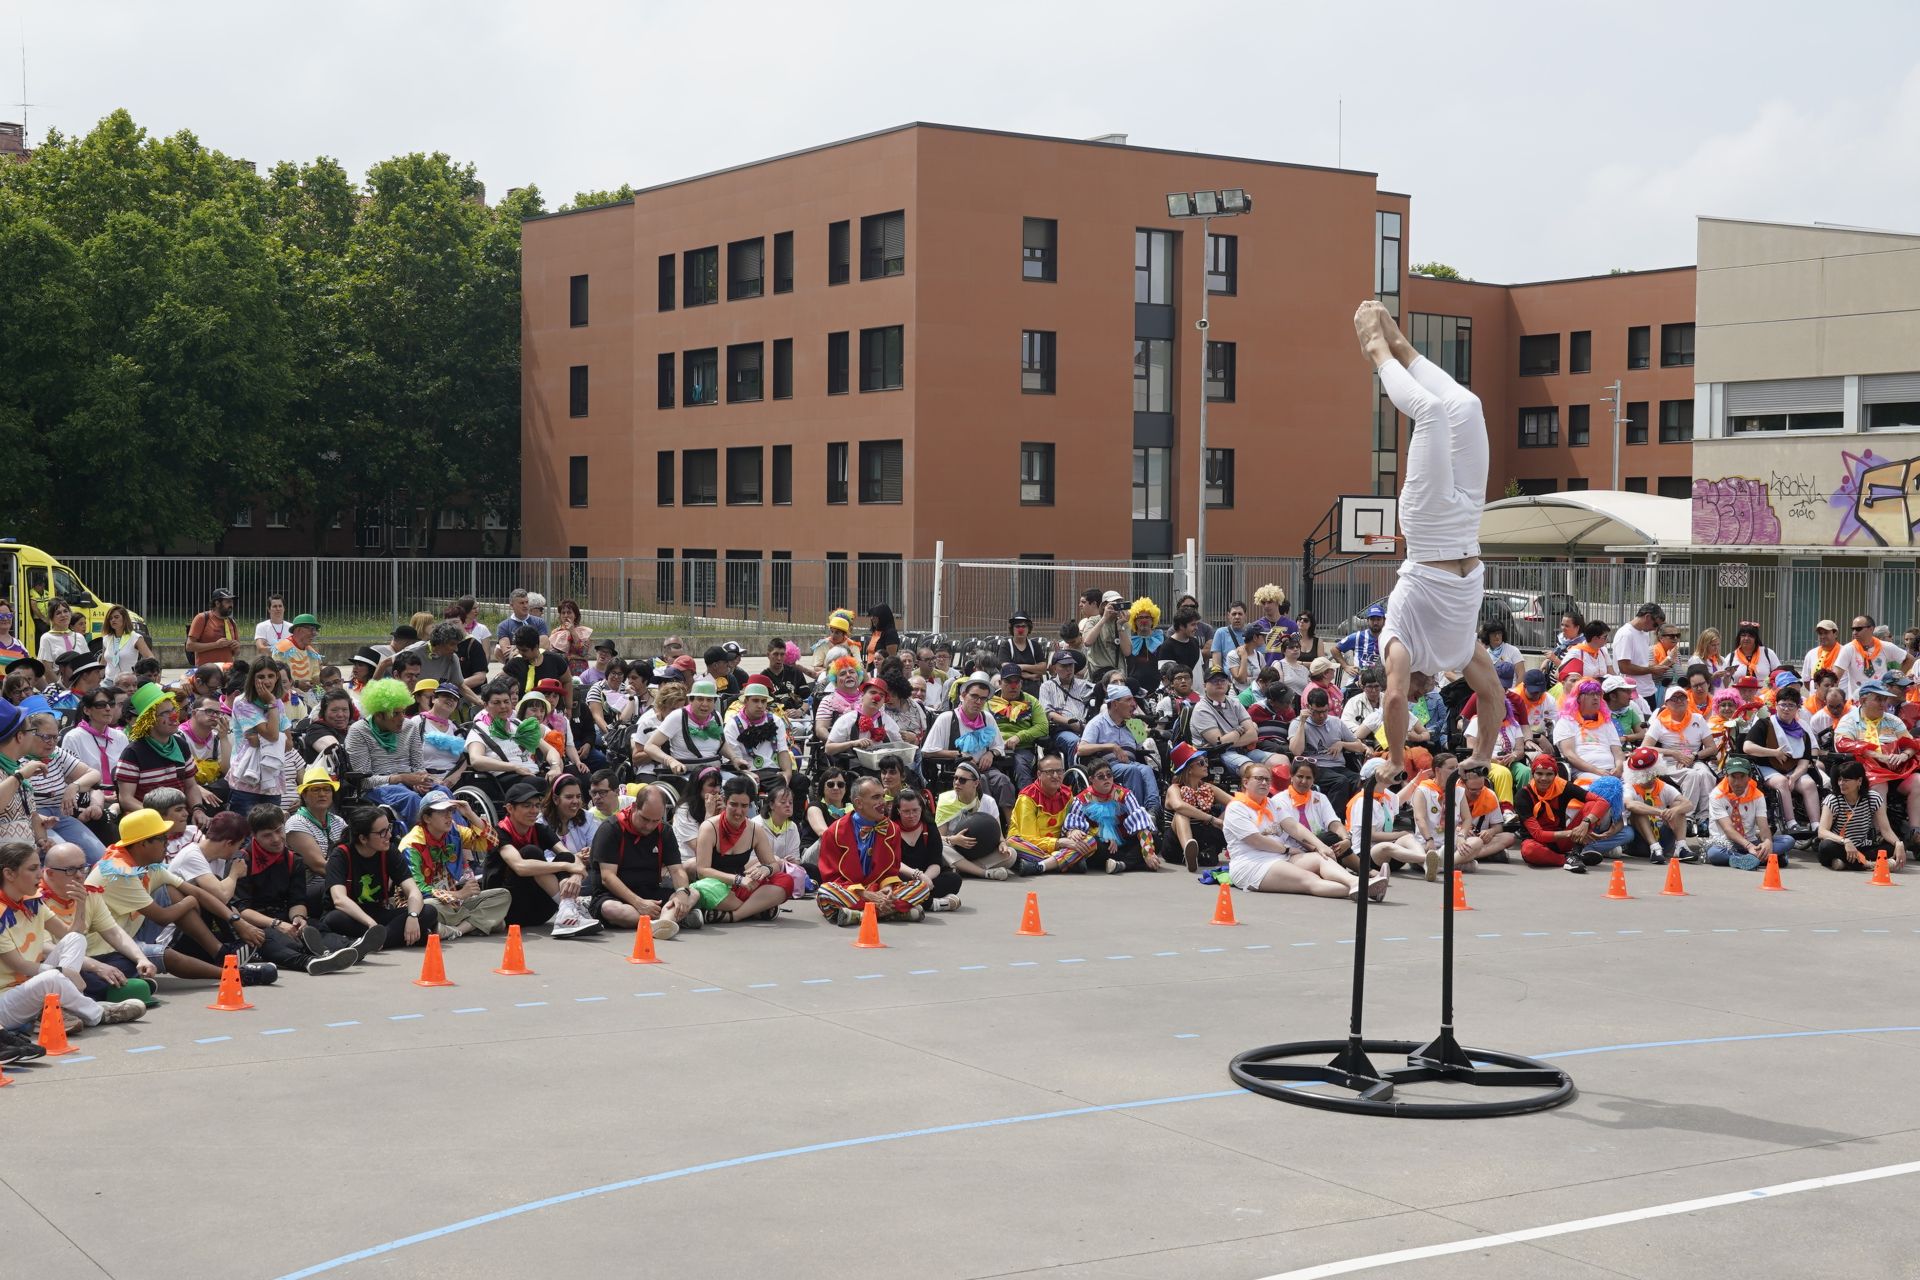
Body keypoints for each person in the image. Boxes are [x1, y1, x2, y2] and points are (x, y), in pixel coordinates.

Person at [1352, 300, 1504, 777]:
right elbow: (1493, 693)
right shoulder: (1458, 653)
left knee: (1432, 413)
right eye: (1425, 694)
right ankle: (1402, 345)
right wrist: (1482, 753)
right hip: (1466, 526)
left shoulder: (1400, 647)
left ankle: (1377, 350)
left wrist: (1396, 759)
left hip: (1428, 527)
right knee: (1468, 405)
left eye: (1420, 692)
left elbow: (1394, 695)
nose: (1422, 693)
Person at [0, 840, 148, 1035]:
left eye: (39, 866)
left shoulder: (32, 901)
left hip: (31, 985)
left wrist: (80, 906)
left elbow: (69, 935)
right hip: (6, 1001)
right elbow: (19, 965)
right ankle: (99, 1013)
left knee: (76, 941)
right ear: (9, 874)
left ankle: (64, 1008)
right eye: (33, 868)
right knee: (52, 977)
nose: (39, 874)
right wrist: (62, 971)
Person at [1225, 760, 1377, 899]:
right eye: (1259, 778)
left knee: (1320, 858)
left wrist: (1321, 847)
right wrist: (1286, 849)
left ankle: (1357, 882)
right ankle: (1364, 889)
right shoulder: (1236, 807)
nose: (1264, 782)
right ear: (1245, 782)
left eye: (1267, 779)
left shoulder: (1270, 804)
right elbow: (1256, 840)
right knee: (1310, 880)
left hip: (1280, 857)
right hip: (1253, 863)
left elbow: (1294, 826)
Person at [589, 783, 699, 937]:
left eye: (656, 821)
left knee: (692, 893)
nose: (649, 826)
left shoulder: (664, 831)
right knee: (612, 910)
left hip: (650, 892)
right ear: (634, 807)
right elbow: (608, 877)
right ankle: (672, 918)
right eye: (645, 819)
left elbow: (677, 870)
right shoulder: (611, 829)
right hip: (614, 895)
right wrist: (638, 903)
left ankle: (662, 923)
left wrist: (681, 893)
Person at [815, 776, 929, 925]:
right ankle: (892, 913)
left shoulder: (892, 829)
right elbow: (831, 876)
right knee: (825, 891)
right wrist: (866, 895)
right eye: (876, 797)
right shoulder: (834, 832)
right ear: (859, 803)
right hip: (852, 890)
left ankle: (860, 915)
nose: (882, 802)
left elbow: (891, 871)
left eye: (883, 796)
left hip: (879, 889)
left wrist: (886, 890)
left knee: (921, 887)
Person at [398, 794, 509, 942]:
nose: (449, 816)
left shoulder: (454, 832)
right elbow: (417, 890)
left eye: (451, 810)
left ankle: (456, 929)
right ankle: (476, 922)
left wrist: (470, 814)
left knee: (502, 895)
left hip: (453, 904)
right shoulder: (411, 845)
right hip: (424, 903)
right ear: (426, 818)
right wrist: (460, 894)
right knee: (429, 907)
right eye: (442, 812)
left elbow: (491, 842)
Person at [691, 774, 795, 924]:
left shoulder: (755, 830)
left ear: (750, 806)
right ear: (725, 802)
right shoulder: (709, 827)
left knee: (786, 880)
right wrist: (739, 879)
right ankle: (756, 910)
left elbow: (773, 864)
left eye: (744, 806)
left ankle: (734, 915)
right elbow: (702, 871)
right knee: (703, 887)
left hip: (742, 888)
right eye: (734, 804)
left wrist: (767, 870)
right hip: (715, 887)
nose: (738, 812)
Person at [344, 678, 445, 827]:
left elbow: (418, 766)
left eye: (403, 712)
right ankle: (428, 843)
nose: (402, 718)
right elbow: (364, 781)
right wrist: (401, 778)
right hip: (378, 789)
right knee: (411, 799)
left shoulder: (410, 727)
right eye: (396, 714)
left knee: (442, 792)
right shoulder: (358, 731)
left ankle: (458, 840)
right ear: (379, 715)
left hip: (408, 783)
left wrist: (421, 780)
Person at [922, 673, 1015, 816]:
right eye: (974, 696)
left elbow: (999, 746)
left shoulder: (987, 718)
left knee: (1003, 780)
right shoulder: (947, 718)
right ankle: (984, 820)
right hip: (957, 771)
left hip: (984, 768)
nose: (978, 702)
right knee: (979, 780)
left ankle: (1010, 825)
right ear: (963, 695)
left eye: (983, 698)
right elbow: (927, 751)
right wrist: (959, 755)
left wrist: (991, 753)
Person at [1743, 685, 1819, 837]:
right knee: (1781, 782)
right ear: (1776, 705)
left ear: (1797, 708)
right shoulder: (1764, 724)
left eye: (1791, 705)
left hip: (1792, 770)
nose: (1786, 709)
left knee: (1809, 784)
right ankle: (1791, 823)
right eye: (1783, 704)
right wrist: (1774, 752)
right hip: (1766, 767)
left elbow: (1804, 761)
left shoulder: (1802, 732)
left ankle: (1817, 825)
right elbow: (1747, 747)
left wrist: (1795, 777)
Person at [1515, 756, 1607, 872]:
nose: (1544, 778)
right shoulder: (1522, 795)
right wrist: (1571, 833)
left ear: (1555, 775)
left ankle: (1576, 852)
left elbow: (1602, 801)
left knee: (1592, 804)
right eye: (1539, 773)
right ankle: (1570, 858)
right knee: (1529, 851)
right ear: (1533, 774)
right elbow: (1538, 834)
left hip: (1561, 841)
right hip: (1537, 841)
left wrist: (1585, 823)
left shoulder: (1563, 786)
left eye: (1549, 774)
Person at [1003, 753, 1089, 874]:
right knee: (1012, 843)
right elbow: (1028, 838)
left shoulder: (1067, 794)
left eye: (1059, 771)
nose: (1056, 776)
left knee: (1089, 840)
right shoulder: (1027, 798)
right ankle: (1066, 861)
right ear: (1039, 774)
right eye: (1050, 772)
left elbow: (1071, 821)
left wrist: (1072, 831)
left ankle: (1040, 865)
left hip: (1060, 845)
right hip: (1033, 845)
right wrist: (1058, 843)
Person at [1705, 755, 1795, 870]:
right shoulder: (1716, 795)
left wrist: (1767, 842)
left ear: (1749, 777)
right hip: (1725, 843)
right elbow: (1728, 830)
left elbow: (1763, 826)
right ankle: (1763, 858)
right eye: (1733, 777)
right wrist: (1748, 846)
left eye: (1742, 777)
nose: (1738, 782)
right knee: (1714, 853)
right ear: (1726, 776)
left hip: (1751, 841)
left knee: (1788, 840)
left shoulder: (1757, 795)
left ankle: (1746, 859)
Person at [1815, 759, 1905, 872]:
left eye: (1846, 780)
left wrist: (1898, 843)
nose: (1841, 783)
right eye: (1840, 779)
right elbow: (1822, 832)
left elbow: (1886, 830)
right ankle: (1868, 864)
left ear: (1859, 781)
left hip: (1862, 848)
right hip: (1840, 846)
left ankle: (1846, 864)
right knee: (1825, 846)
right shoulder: (1833, 800)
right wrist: (1845, 841)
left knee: (1894, 847)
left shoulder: (1873, 798)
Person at [227, 660, 290, 816]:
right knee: (246, 835)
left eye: (270, 676)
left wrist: (260, 740)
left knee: (270, 832)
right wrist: (271, 704)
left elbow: (289, 744)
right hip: (246, 781)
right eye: (261, 677)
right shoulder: (242, 702)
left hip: (272, 780)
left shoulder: (278, 702)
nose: (267, 681)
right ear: (252, 679)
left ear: (276, 677)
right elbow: (273, 735)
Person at [1288, 687, 1363, 814]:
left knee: (1361, 781)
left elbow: (1359, 746)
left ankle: (1355, 817)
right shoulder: (1298, 723)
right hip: (1316, 767)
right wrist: (1302, 723)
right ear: (1309, 708)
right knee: (1340, 781)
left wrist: (1342, 744)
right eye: (1317, 712)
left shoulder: (1335, 722)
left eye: (1325, 711)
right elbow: (1296, 751)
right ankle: (1334, 821)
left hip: (1338, 766)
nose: (1322, 715)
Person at [1190, 663, 1273, 775]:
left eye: (1223, 680)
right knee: (1254, 771)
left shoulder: (1235, 703)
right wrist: (1240, 731)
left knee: (1281, 762)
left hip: (1243, 750)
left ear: (1228, 683)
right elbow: (1218, 743)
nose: (1219, 683)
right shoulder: (1201, 709)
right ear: (1205, 685)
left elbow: (1253, 735)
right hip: (1219, 755)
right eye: (1214, 680)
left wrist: (1231, 738)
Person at [1622, 745, 1696, 863]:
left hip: (1664, 840)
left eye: (1654, 774)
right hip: (1638, 843)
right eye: (1647, 776)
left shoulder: (1662, 786)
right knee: (1638, 811)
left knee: (1678, 805)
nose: (1651, 779)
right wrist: (1660, 812)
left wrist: (1674, 811)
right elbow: (1630, 805)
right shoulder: (1628, 787)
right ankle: (1654, 848)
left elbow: (1688, 804)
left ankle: (1681, 847)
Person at [1164, 742, 1230, 871]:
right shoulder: (1174, 788)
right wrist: (1212, 819)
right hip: (1174, 845)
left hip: (1203, 840)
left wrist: (1222, 820)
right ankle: (1188, 853)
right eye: (1201, 763)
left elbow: (1236, 802)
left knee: (1234, 807)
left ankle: (1197, 852)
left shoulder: (1207, 788)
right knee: (1181, 813)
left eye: (1205, 761)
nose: (1206, 765)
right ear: (1189, 769)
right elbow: (1179, 805)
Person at [894, 787, 960, 912]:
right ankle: (933, 904)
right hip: (903, 876)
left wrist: (924, 880)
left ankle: (914, 900)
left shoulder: (929, 827)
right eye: (906, 811)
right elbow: (894, 862)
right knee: (893, 883)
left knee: (954, 879)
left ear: (921, 809)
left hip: (928, 878)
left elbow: (935, 862)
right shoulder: (891, 828)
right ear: (898, 811)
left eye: (915, 810)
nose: (912, 815)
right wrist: (917, 876)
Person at [988, 665, 1048, 788]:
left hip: (1022, 749)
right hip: (993, 749)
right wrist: (997, 742)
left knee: (1020, 765)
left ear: (1021, 683)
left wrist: (1019, 737)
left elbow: (1043, 727)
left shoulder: (1032, 701)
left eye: (1017, 682)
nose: (1013, 686)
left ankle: (1026, 801)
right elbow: (980, 726)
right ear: (1000, 683)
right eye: (1008, 682)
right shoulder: (988, 702)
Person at [723, 677, 794, 781]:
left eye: (763, 701)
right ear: (746, 701)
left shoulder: (776, 720)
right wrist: (748, 774)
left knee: (800, 781)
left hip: (775, 769)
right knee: (776, 782)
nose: (760, 705)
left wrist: (787, 773)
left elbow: (783, 751)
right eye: (755, 701)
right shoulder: (733, 724)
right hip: (749, 771)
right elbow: (736, 760)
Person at [1552, 679, 1623, 778]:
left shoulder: (1606, 722)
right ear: (1578, 698)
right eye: (1590, 694)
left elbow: (1618, 751)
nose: (1596, 698)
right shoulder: (1566, 722)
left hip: (1612, 771)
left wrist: (1619, 768)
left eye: (1598, 694)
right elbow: (1569, 755)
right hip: (1584, 772)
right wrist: (1596, 770)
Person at [1835, 614, 1914, 696]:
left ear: (1871, 629)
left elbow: (1910, 659)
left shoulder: (1884, 646)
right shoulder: (1848, 649)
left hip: (1881, 700)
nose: (1854, 632)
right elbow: (1835, 677)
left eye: (1858, 629)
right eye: (1853, 629)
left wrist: (1895, 679)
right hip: (1858, 701)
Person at [1038, 649, 1096, 760]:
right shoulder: (1047, 686)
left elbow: (1101, 689)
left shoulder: (1083, 685)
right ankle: (1074, 776)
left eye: (1071, 665)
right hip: (1061, 730)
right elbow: (1048, 713)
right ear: (1055, 668)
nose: (1069, 669)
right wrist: (1071, 723)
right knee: (1074, 742)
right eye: (1064, 666)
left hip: (1085, 728)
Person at [1611, 603, 1671, 707]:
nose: (1655, 629)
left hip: (1648, 690)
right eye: (1655, 625)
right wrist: (1652, 670)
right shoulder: (1626, 634)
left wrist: (1654, 667)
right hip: (1633, 693)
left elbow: (1641, 662)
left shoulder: (1644, 633)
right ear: (1647, 617)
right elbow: (1624, 667)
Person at [1334, 605, 1386, 679]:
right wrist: (1346, 667)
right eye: (1372, 619)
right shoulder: (1358, 636)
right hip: (1359, 681)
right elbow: (1334, 650)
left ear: (1384, 620)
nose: (1375, 623)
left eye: (1378, 619)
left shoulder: (1389, 638)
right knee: (1343, 691)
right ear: (1367, 621)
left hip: (1383, 682)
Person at [1802, 619, 1845, 685]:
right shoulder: (1811, 654)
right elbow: (1806, 680)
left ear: (1835, 634)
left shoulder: (1845, 652)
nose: (1822, 636)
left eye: (1826, 633)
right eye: (1820, 633)